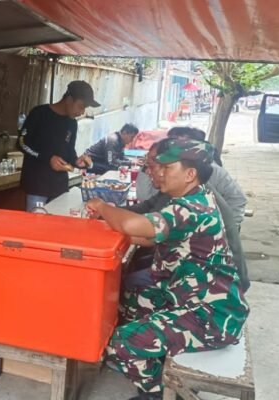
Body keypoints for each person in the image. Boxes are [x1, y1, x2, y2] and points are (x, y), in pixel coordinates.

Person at [86, 140, 249, 399]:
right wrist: (107, 231)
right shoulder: (197, 196)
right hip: (193, 298)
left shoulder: (191, 208)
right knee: (128, 298)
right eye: (157, 167)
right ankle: (153, 358)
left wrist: (103, 207)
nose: (158, 173)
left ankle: (157, 394)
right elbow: (151, 237)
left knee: (121, 342)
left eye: (167, 167)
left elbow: (133, 226)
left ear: (190, 174)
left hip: (212, 316)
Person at [121, 140, 250, 293]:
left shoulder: (190, 204)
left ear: (189, 174)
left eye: (163, 167)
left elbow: (148, 234)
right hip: (199, 271)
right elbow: (146, 206)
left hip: (212, 285)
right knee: (138, 265)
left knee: (130, 281)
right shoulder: (189, 190)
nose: (155, 172)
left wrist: (105, 212)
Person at [138, 127, 245, 228]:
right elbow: (146, 202)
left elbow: (238, 199)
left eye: (179, 145)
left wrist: (228, 228)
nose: (171, 149)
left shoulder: (191, 205)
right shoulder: (175, 183)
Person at [18, 80, 100, 211]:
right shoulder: (39, 114)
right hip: (37, 187)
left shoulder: (72, 123)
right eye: (81, 106)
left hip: (60, 187)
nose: (82, 112)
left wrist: (76, 161)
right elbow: (22, 143)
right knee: (35, 223)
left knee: (59, 222)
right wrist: (48, 158)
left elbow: (69, 151)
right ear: (69, 99)